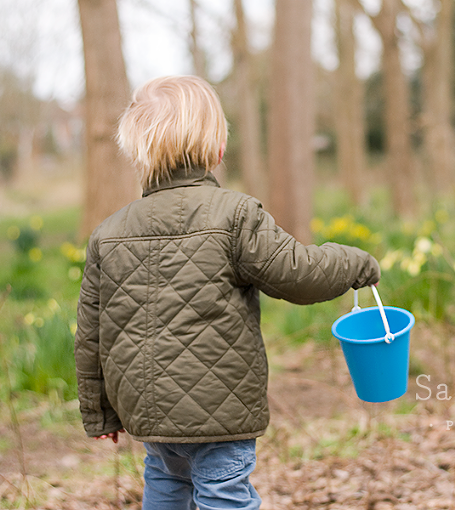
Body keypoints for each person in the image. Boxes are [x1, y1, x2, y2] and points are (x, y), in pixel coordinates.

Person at [74, 75, 381, 510]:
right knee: (223, 495)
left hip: (149, 413)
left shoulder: (108, 234)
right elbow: (299, 273)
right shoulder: (235, 216)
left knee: (164, 484)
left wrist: (99, 412)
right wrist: (357, 263)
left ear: (138, 152)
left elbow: (90, 334)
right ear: (216, 150)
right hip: (218, 414)